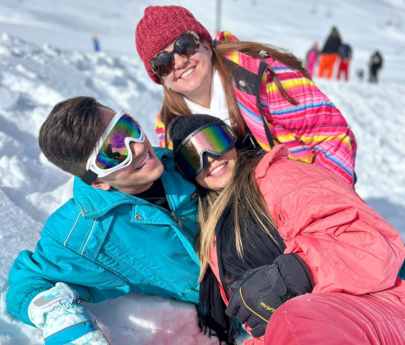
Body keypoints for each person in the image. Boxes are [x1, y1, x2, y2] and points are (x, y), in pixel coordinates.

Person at [169, 114, 405, 345]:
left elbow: (373, 244)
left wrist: (298, 273)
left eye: (215, 141)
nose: (209, 158)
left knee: (294, 319)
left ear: (232, 139)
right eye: (193, 158)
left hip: (366, 313)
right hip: (298, 331)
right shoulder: (214, 234)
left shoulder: (281, 178)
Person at [6, 97, 201, 344]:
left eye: (127, 129)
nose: (139, 147)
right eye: (114, 153)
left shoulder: (185, 162)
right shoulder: (87, 233)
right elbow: (26, 282)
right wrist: (59, 315)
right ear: (98, 181)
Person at [135, 6, 357, 187]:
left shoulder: (262, 78)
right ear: (159, 77)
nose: (180, 62)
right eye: (163, 62)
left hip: (309, 196)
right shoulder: (170, 129)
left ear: (205, 44)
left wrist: (328, 201)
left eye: (185, 45)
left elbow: (331, 137)